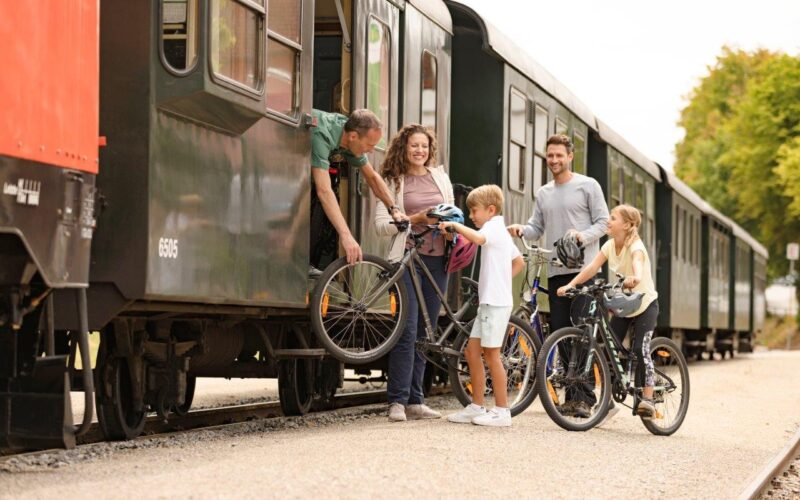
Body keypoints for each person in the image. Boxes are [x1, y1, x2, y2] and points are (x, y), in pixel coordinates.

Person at [507, 134, 609, 418]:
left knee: (582, 335)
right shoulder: (544, 193)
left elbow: (603, 222)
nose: (554, 160)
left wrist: (581, 237)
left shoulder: (588, 185)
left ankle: (585, 399)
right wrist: (522, 229)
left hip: (584, 271)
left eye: (559, 155)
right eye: (550, 155)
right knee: (562, 334)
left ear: (570, 156)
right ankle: (572, 397)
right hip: (557, 272)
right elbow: (536, 227)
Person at [374, 124, 453, 422]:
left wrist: (449, 226)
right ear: (403, 148)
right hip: (407, 258)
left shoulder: (440, 177)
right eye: (414, 146)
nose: (420, 151)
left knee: (425, 331)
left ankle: (416, 401)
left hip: (438, 260)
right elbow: (380, 226)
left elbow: (452, 214)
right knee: (406, 329)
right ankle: (397, 401)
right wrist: (414, 218)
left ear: (430, 149)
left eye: (424, 146)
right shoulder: (392, 180)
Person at [556, 204, 660, 417]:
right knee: (608, 352)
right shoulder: (610, 245)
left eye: (613, 218)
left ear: (627, 225)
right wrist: (571, 285)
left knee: (640, 349)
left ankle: (648, 398)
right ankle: (608, 402)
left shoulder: (636, 246)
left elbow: (638, 261)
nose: (608, 221)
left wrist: (636, 277)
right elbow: (592, 267)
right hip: (625, 306)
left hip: (645, 305)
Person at [439, 185, 524, 427]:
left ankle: (502, 411)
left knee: (492, 354)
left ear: (491, 210)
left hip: (495, 303)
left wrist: (454, 225)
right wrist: (501, 279)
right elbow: (519, 262)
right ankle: (476, 406)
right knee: (471, 351)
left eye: (474, 210)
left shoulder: (493, 228)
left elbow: (477, 239)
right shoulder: (499, 230)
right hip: (489, 302)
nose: (471, 216)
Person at [310, 108, 407, 266]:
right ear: (353, 136)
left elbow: (372, 177)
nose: (371, 151)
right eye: (370, 145)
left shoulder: (348, 136)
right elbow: (324, 190)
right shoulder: (322, 135)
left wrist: (394, 209)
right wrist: (346, 235)